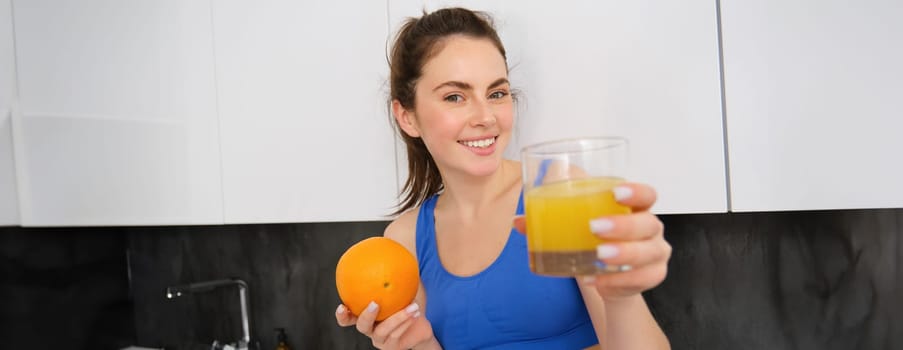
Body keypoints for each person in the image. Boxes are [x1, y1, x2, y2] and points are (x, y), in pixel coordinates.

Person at [336, 7, 671, 350]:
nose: (486, 117)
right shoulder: (405, 238)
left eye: (496, 93)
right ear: (407, 117)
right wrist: (419, 343)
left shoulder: (556, 192)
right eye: (455, 96)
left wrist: (622, 299)